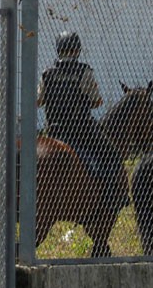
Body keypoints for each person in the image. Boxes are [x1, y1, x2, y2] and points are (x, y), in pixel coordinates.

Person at [38, 31, 124, 210]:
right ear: (77, 50)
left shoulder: (47, 73)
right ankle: (111, 197)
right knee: (112, 155)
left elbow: (38, 101)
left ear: (59, 49)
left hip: (55, 131)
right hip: (81, 130)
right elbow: (97, 101)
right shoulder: (84, 71)